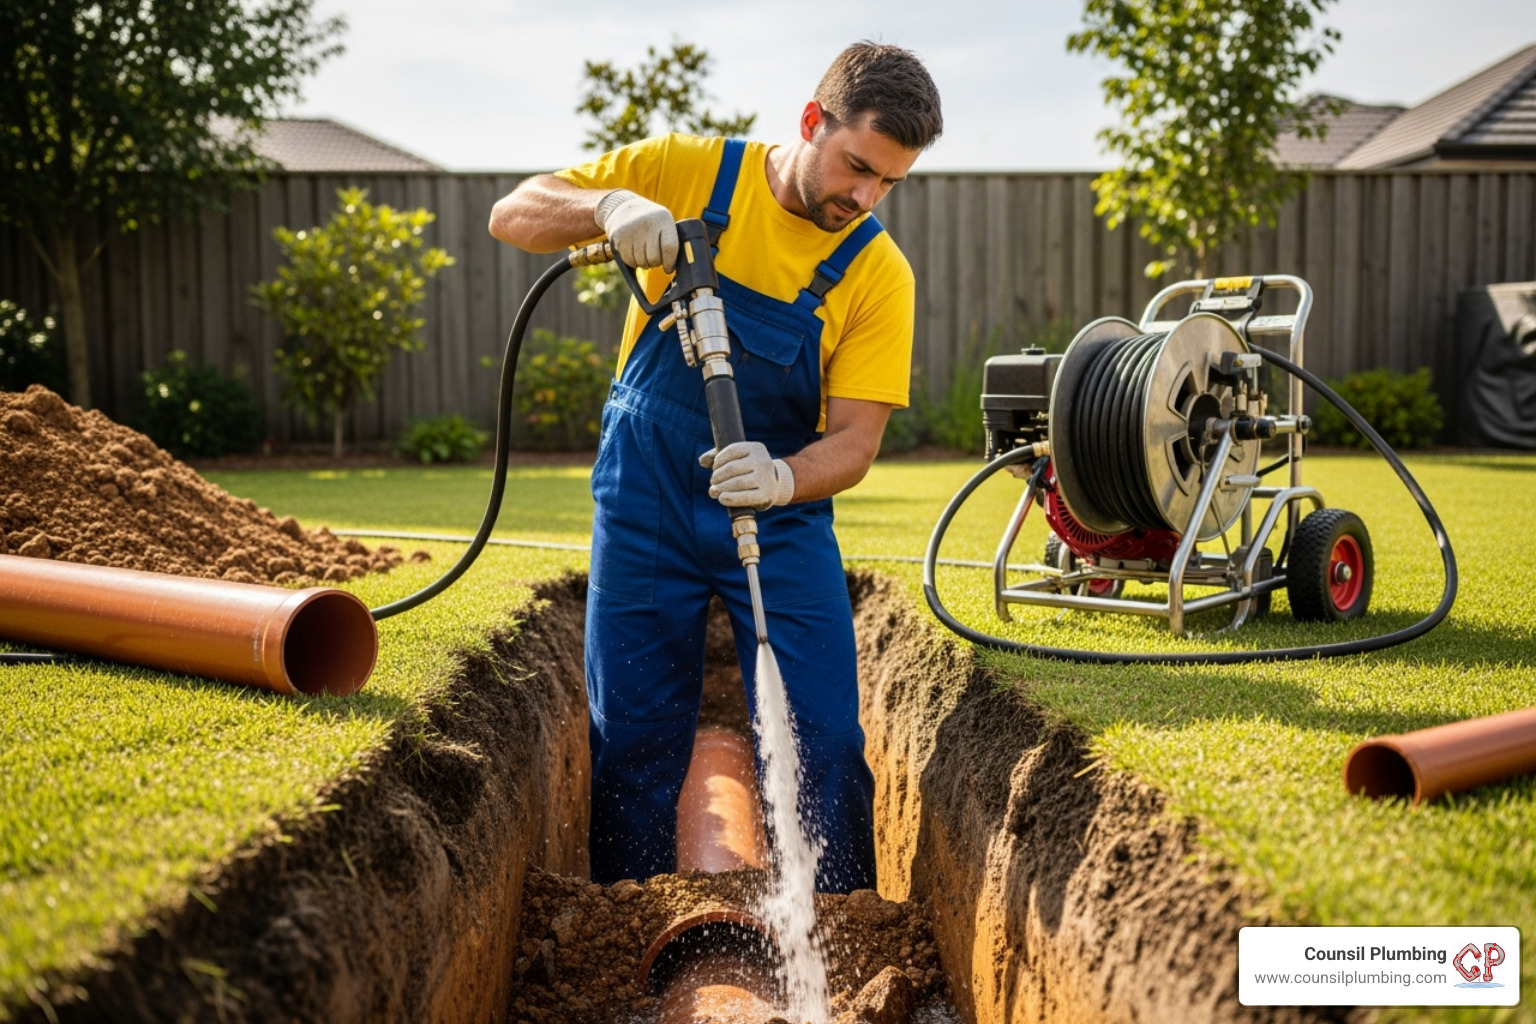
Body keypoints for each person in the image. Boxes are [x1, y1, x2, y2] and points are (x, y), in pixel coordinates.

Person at [488, 41, 942, 893]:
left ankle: (842, 922)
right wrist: (608, 207)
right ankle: (632, 919)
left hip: (780, 512)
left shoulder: (877, 272)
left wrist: (782, 479)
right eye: (856, 168)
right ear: (812, 122)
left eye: (889, 182)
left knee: (826, 740)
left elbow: (855, 441)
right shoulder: (686, 168)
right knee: (633, 732)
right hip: (645, 498)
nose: (866, 197)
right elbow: (512, 213)